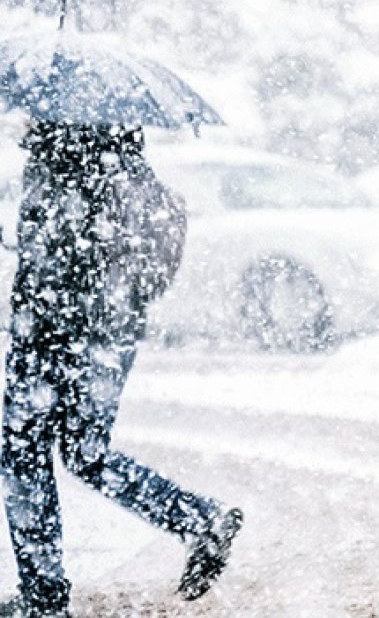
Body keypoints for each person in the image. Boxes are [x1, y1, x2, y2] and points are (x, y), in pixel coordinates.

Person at [0, 123, 243, 617]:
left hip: (57, 328)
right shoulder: (125, 164)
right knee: (85, 453)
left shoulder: (66, 161)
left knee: (24, 454)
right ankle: (199, 520)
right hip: (109, 333)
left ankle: (44, 597)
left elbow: (57, 254)